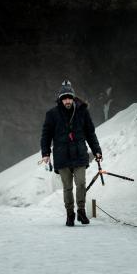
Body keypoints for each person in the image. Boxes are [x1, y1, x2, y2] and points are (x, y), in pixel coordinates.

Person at [40, 80, 102, 226]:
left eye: (69, 98)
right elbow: (46, 135)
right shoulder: (52, 114)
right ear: (60, 99)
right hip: (62, 157)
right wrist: (46, 153)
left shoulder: (82, 112)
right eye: (64, 98)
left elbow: (90, 134)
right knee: (67, 187)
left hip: (80, 154)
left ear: (73, 98)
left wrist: (97, 151)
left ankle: (81, 211)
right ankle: (70, 214)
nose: (67, 101)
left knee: (81, 183)